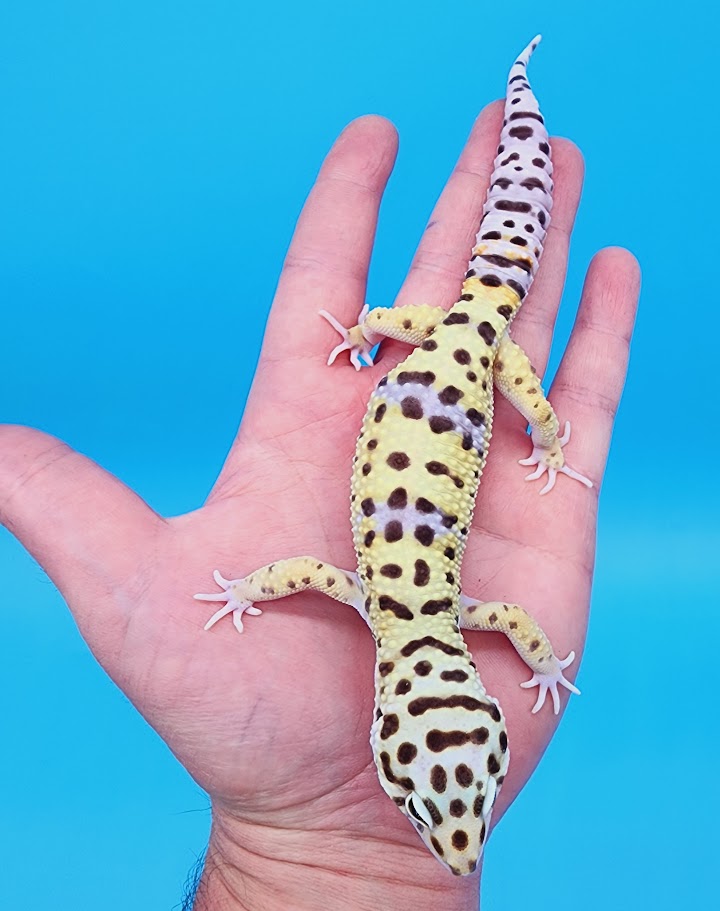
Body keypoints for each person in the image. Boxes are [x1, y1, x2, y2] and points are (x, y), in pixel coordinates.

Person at [0, 102, 640, 910]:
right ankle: (520, 104)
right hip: (468, 351)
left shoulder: (449, 613)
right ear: (473, 704)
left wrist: (372, 333)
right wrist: (543, 441)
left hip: (449, 341)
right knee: (530, 366)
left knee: (501, 310)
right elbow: (306, 574)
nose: (459, 848)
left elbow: (494, 618)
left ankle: (522, 111)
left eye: (433, 808)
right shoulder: (385, 600)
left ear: (394, 729)